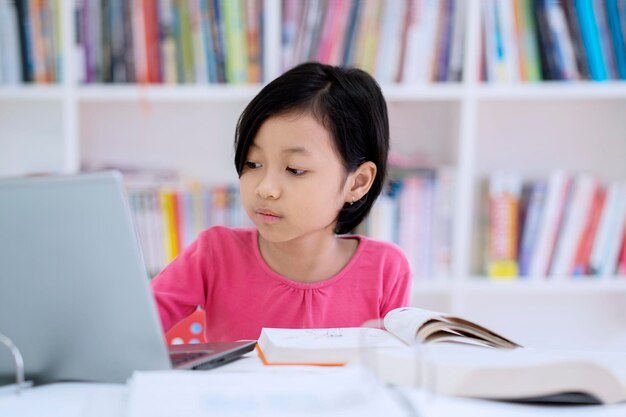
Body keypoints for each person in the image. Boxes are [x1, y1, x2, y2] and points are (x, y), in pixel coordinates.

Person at [151, 62, 412, 342]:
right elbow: (134, 326)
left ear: (357, 182)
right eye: (253, 163)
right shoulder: (214, 255)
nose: (266, 189)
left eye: (295, 169)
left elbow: (393, 370)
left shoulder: (386, 270)